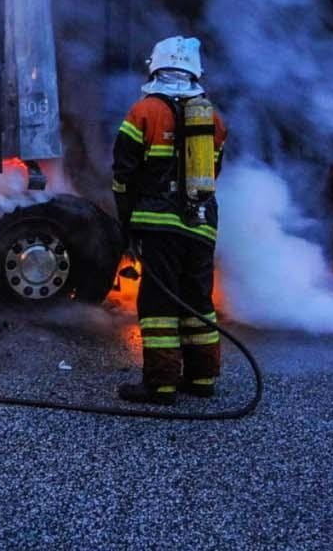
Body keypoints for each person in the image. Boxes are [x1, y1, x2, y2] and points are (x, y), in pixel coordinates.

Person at [112, 35, 227, 405]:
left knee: (159, 304)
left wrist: (127, 223)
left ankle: (160, 384)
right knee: (198, 300)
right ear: (196, 72)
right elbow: (214, 171)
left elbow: (123, 174)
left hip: (158, 224)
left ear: (156, 66)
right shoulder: (213, 119)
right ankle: (203, 378)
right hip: (201, 224)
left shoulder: (143, 112)